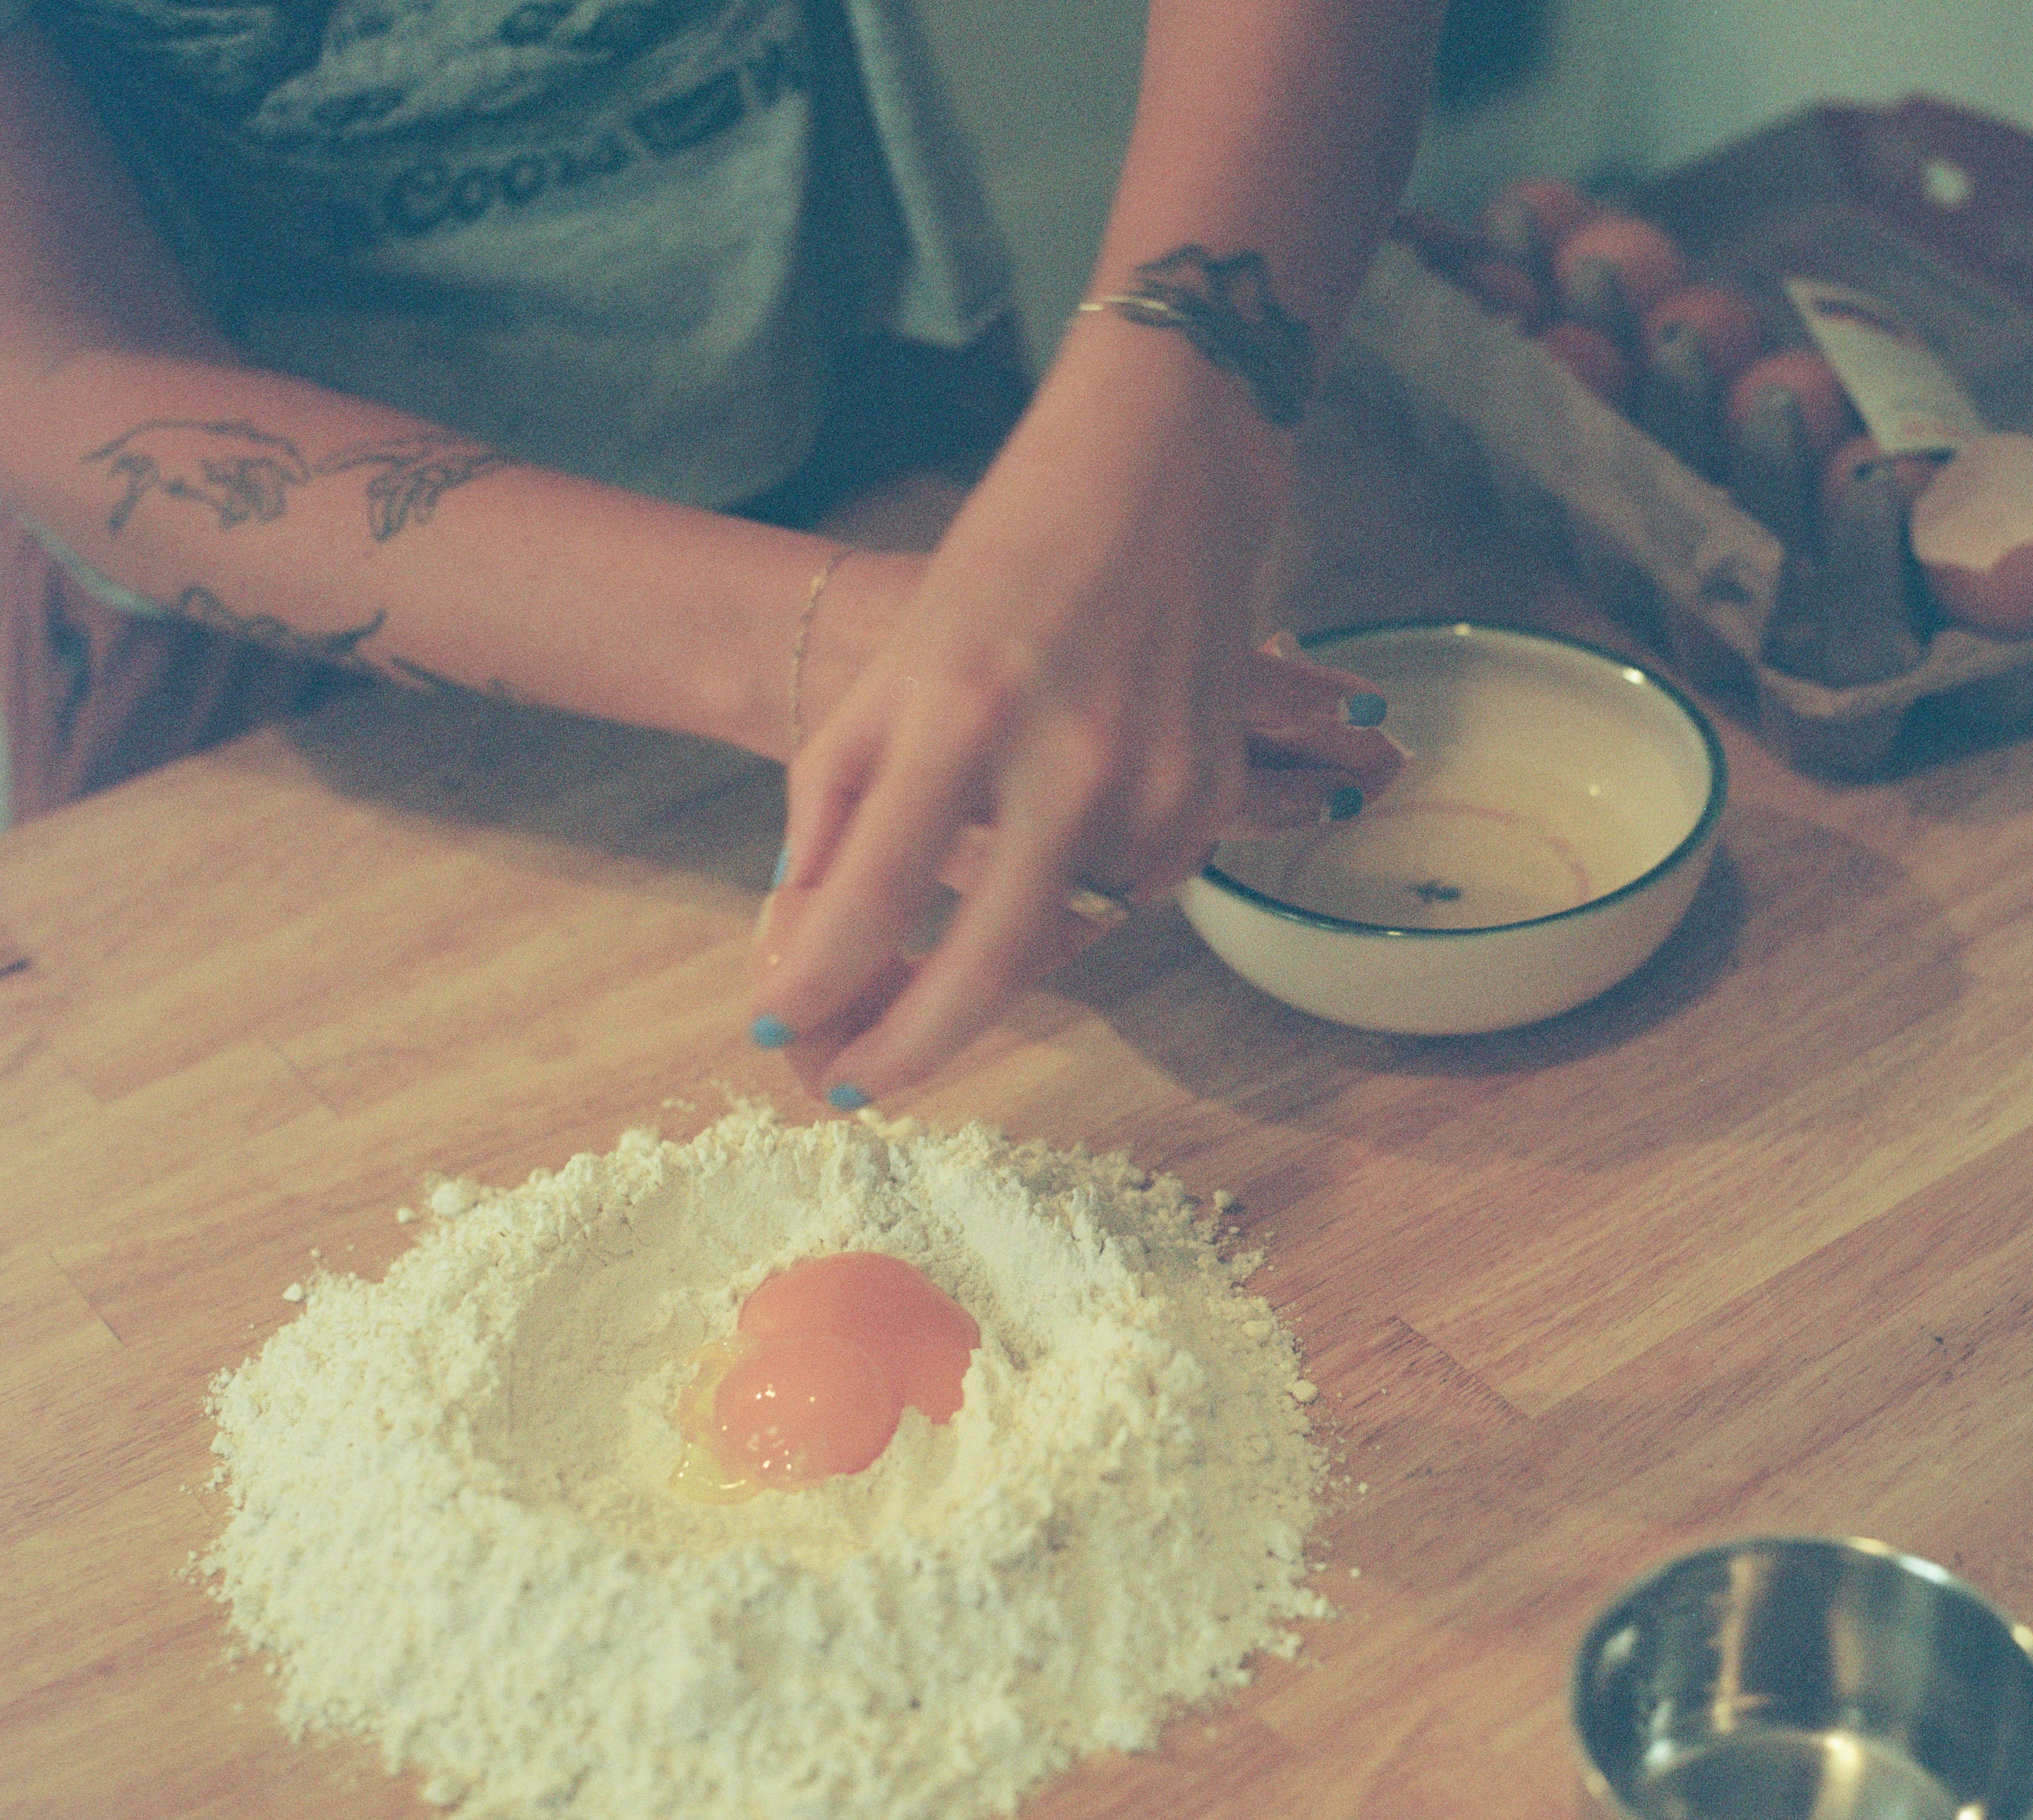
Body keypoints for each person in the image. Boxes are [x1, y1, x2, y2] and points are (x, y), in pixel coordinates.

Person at [0, 0, 1441, 1101]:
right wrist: (825, 639)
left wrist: (1186, 415)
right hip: (255, 628)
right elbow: (59, 367)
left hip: (859, 393)